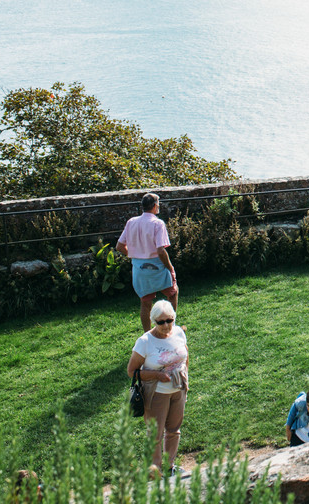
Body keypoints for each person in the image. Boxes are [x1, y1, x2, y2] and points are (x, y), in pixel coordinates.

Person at [127, 299, 188, 475]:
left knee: (174, 430)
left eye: (169, 320)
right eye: (161, 322)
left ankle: (169, 467)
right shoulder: (145, 342)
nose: (166, 325)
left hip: (178, 390)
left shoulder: (179, 332)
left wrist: (186, 380)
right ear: (153, 321)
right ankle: (155, 470)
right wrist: (157, 375)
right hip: (156, 393)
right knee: (155, 434)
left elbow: (185, 356)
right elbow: (131, 371)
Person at [116, 192, 178, 333]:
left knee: (145, 303)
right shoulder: (157, 223)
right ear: (155, 206)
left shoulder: (131, 222)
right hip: (157, 266)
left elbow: (119, 246)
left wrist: (134, 255)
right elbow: (161, 250)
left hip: (139, 268)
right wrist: (170, 267)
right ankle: (170, 328)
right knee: (172, 293)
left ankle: (147, 334)